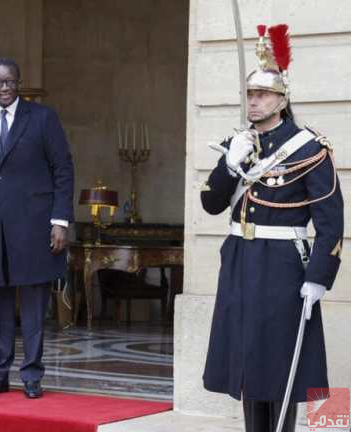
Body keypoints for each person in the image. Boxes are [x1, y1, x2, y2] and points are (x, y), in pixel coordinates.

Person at [201, 25, 343, 432]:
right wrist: (231, 164)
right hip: (241, 261)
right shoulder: (238, 142)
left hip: (283, 265)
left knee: (281, 361)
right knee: (247, 359)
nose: (254, 102)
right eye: (250, 94)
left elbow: (330, 219)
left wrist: (318, 277)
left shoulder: (308, 147)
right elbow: (211, 204)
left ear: (282, 100)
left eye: (262, 95)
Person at [0, 58, 74, 399]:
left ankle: (32, 376)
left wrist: (60, 220)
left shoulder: (43, 118)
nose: (4, 88)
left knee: (34, 308)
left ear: (18, 82)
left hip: (36, 228)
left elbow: (63, 168)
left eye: (9, 82)